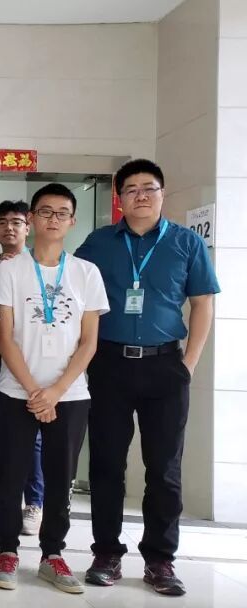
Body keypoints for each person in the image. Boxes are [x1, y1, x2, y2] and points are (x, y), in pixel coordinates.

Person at [76, 159, 219, 597]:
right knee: (106, 464)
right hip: (109, 364)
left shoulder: (186, 242)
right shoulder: (98, 243)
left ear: (162, 192)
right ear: (119, 197)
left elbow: (202, 303)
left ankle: (160, 559)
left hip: (165, 366)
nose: (140, 195)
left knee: (164, 467)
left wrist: (188, 363)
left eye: (149, 187)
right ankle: (106, 552)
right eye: (132, 189)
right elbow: (73, 294)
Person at [0, 184, 108, 594]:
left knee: (61, 479)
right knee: (10, 475)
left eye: (61, 213)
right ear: (32, 218)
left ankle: (52, 554)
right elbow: (4, 337)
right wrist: (34, 390)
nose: (53, 219)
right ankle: (6, 550)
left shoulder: (86, 273)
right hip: (15, 391)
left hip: (70, 395)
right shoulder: (9, 270)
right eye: (45, 211)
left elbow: (89, 342)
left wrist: (55, 391)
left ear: (72, 221)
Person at [0, 200, 44, 532]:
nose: (9, 228)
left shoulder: (40, 266)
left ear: (28, 227)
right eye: (2, 222)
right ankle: (3, 496)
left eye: (16, 222)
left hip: (29, 358)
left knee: (32, 435)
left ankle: (35, 502)